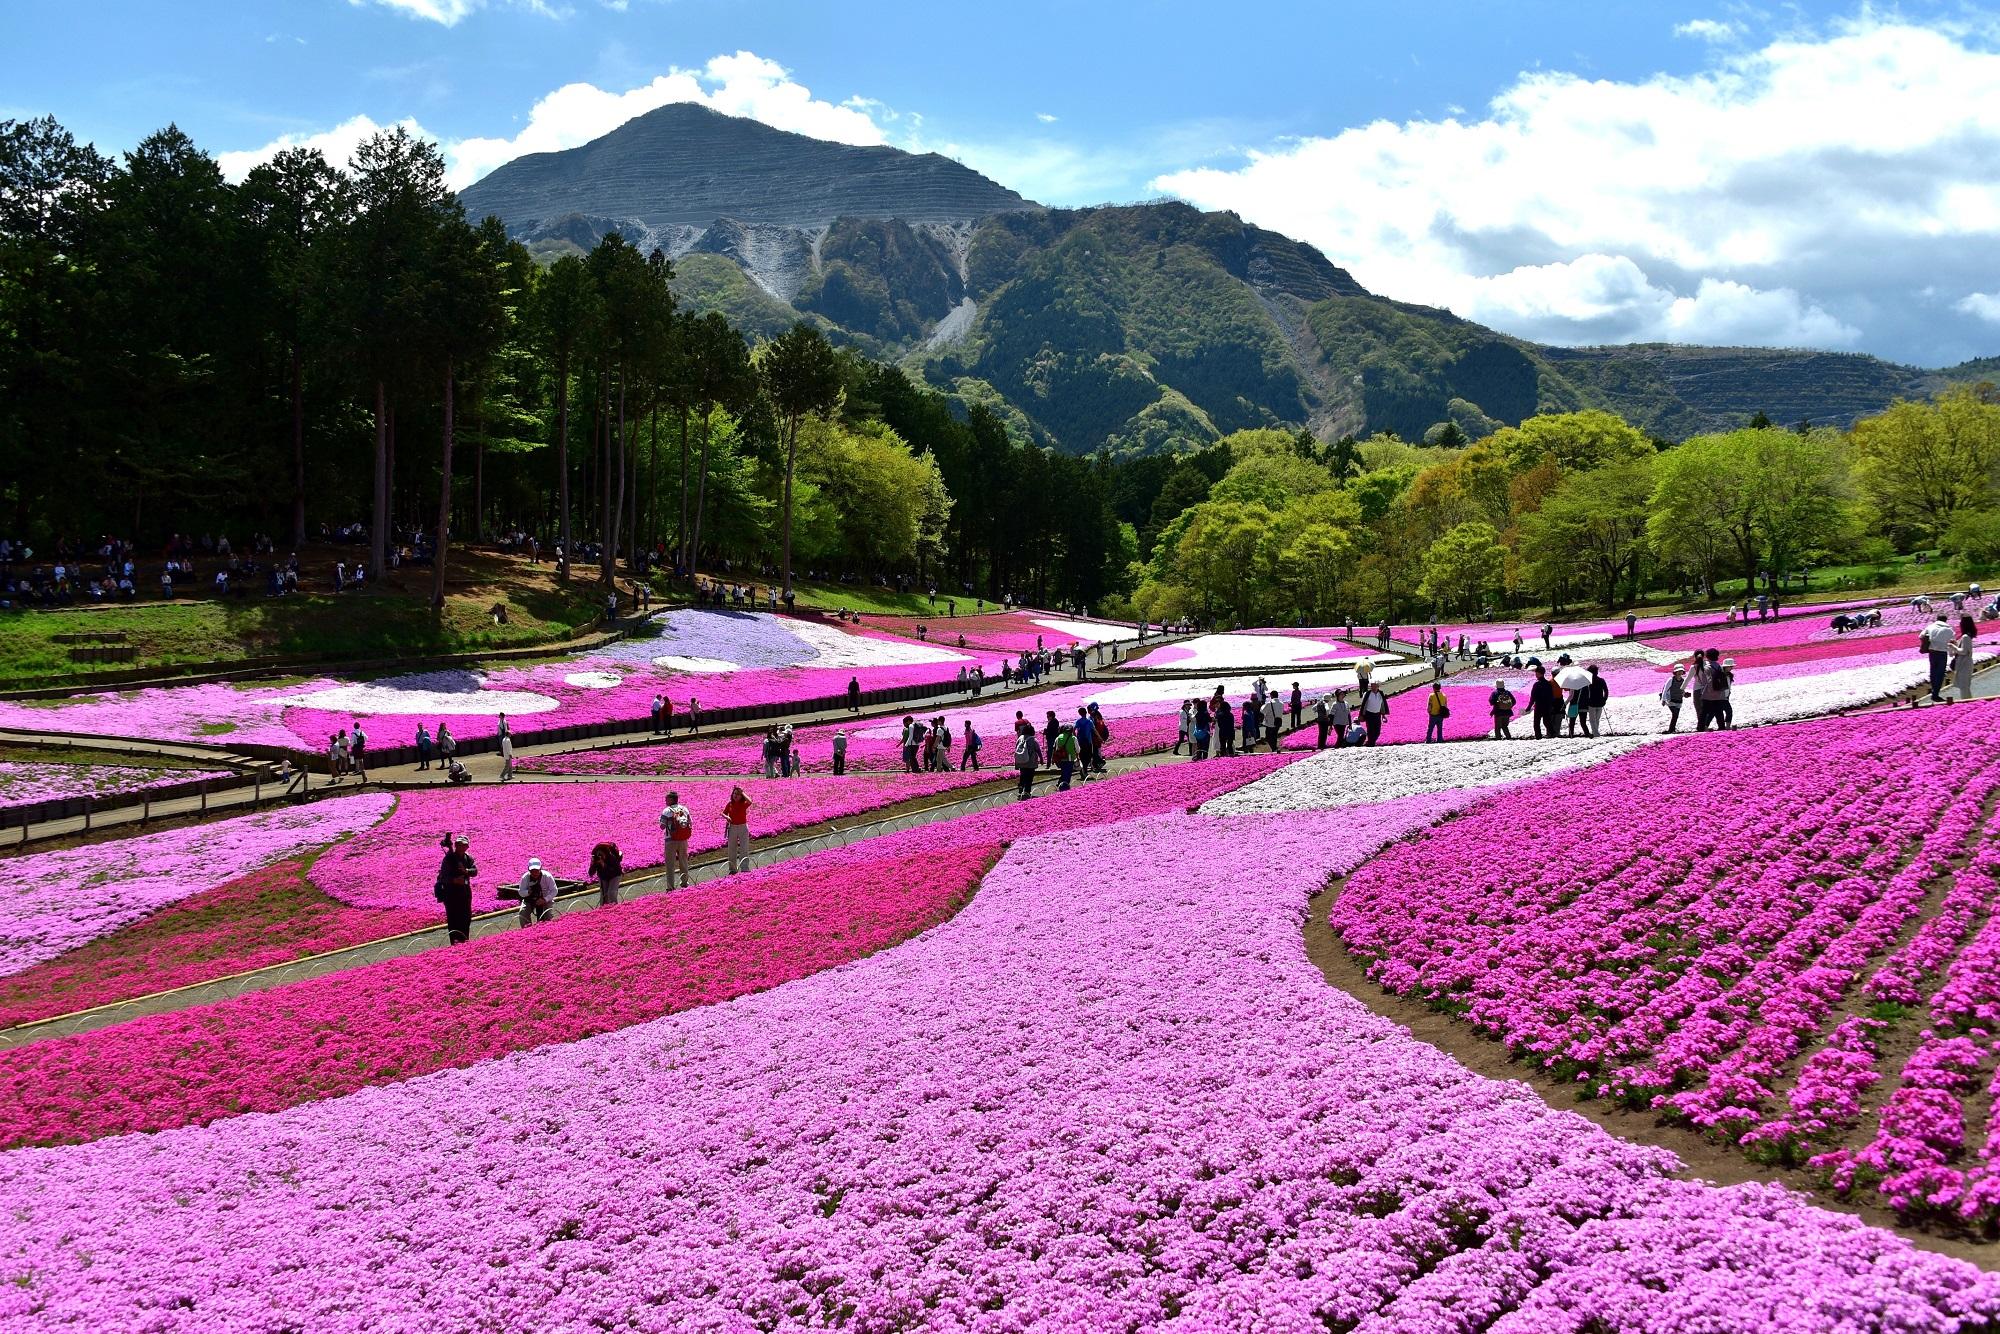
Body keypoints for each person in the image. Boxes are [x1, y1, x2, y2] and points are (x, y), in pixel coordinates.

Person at [434, 834, 476, 944]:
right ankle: (455, 942)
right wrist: (454, 881)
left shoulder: (468, 858)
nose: (460, 847)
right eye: (458, 845)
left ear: (467, 847)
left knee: (466, 917)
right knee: (453, 918)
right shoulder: (448, 859)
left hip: (465, 892)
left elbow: (475, 871)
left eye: (463, 845)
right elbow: (443, 877)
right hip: (451, 894)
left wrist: (466, 871)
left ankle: (465, 940)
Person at [660, 792, 693, 889]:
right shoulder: (684, 809)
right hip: (683, 839)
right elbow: (690, 822)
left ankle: (670, 886)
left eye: (667, 799)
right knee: (683, 861)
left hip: (670, 840)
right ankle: (684, 883)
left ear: (671, 800)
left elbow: (662, 826)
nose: (665, 801)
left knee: (670, 864)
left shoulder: (667, 811)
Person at [1922, 611, 1955, 703]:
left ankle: (1933, 690)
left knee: (1933, 671)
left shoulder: (1930, 627)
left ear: (1937, 619)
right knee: (1940, 673)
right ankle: (1935, 693)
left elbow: (1921, 636)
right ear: (1946, 620)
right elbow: (1952, 641)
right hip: (1942, 653)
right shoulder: (1949, 629)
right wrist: (1952, 653)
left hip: (1932, 652)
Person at [516, 857, 558, 927]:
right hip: (529, 899)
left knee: (548, 916)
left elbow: (554, 891)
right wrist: (527, 892)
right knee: (523, 913)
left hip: (545, 898)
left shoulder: (547, 876)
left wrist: (545, 899)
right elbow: (521, 892)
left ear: (540, 868)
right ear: (529, 870)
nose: (535, 873)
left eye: (537, 870)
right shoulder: (525, 878)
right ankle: (527, 930)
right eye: (532, 871)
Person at [723, 786, 752, 874]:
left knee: (744, 848)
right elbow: (723, 813)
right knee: (732, 848)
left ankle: (744, 868)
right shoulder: (730, 804)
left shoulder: (744, 803)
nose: (736, 796)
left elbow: (750, 801)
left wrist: (742, 792)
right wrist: (726, 817)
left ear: (741, 796)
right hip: (732, 827)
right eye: (735, 793)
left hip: (743, 827)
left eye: (738, 794)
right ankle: (733, 869)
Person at [1528, 665, 1558, 741]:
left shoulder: (1537, 684)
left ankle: (1538, 737)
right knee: (1547, 721)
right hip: (1547, 706)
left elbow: (1533, 697)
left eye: (1536, 673)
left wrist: (1529, 707)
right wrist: (1551, 705)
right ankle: (1553, 733)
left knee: (1536, 723)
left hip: (1539, 706)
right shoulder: (1548, 684)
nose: (1535, 675)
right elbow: (1551, 695)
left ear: (1539, 673)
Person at [590, 841, 623, 906]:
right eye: (598, 854)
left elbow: (613, 870)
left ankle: (615, 909)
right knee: (604, 896)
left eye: (601, 854)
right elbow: (591, 873)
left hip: (615, 875)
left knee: (611, 893)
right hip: (603, 877)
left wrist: (603, 865)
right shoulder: (596, 859)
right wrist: (593, 865)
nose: (600, 856)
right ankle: (604, 911)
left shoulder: (611, 858)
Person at [1954, 614, 1979, 700]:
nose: (1959, 623)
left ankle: (1966, 702)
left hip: (1964, 663)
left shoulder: (1965, 637)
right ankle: (1968, 701)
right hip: (1965, 662)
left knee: (1964, 686)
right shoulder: (1966, 636)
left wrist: (1953, 647)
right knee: (1964, 685)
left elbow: (1964, 652)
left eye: (1961, 621)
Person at [1014, 725, 1041, 799]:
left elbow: (1016, 749)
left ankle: (1021, 785)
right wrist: (1041, 758)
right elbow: (1038, 750)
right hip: (1030, 762)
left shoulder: (1020, 738)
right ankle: (1027, 792)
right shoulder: (1033, 740)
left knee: (1023, 775)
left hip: (1021, 761)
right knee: (1029, 777)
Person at [1660, 665, 1687, 733]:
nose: (1679, 672)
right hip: (1670, 700)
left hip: (1679, 700)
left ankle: (1672, 729)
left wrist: (1685, 694)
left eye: (1681, 671)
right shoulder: (1671, 679)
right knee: (1675, 714)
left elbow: (1682, 690)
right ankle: (1671, 729)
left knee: (1676, 716)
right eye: (1678, 671)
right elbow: (1665, 690)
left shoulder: (1683, 680)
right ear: (1675, 672)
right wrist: (1663, 700)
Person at [1584, 665, 1609, 736]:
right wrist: (1604, 699)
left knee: (1592, 720)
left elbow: (1586, 693)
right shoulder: (1601, 680)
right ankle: (1596, 732)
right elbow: (1606, 691)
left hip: (1592, 703)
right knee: (1597, 720)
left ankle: (1596, 733)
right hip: (1600, 703)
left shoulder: (1589, 681)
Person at [1052, 723, 1079, 790]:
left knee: (1064, 772)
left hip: (1060, 758)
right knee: (1067, 774)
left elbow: (1056, 748)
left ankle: (1062, 785)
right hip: (1070, 758)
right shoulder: (1073, 738)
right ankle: (1064, 788)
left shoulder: (1058, 738)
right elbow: (1078, 750)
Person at [496, 713, 515, 781]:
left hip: (506, 754)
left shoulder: (504, 739)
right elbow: (508, 748)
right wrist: (510, 754)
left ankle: (510, 775)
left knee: (510, 766)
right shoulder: (507, 740)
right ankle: (502, 775)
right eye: (510, 734)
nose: (511, 735)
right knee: (507, 766)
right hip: (508, 755)